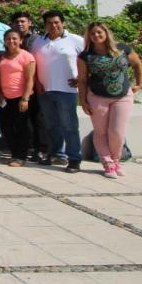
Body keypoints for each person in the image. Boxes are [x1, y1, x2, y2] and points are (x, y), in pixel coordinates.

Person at [78, 21, 142, 178]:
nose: (96, 35)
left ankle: (116, 161)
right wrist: (83, 100)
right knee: (100, 131)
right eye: (92, 33)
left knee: (117, 132)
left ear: (106, 33)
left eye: (99, 32)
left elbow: (137, 64)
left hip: (123, 96)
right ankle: (107, 163)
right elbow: (82, 80)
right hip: (97, 96)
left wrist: (139, 84)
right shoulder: (85, 56)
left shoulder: (122, 49)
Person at [31, 10, 86, 172]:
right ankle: (56, 154)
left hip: (67, 90)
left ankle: (74, 159)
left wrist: (81, 78)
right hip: (45, 90)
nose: (53, 25)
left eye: (56, 22)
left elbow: (88, 60)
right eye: (49, 23)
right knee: (51, 126)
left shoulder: (76, 40)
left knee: (69, 126)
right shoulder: (38, 41)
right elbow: (33, 64)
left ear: (63, 23)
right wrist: (37, 83)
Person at [12, 10, 48, 163]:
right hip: (18, 86)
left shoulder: (38, 40)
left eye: (23, 21)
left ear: (30, 23)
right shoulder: (11, 39)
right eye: (17, 22)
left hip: (36, 83)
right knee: (23, 120)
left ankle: (42, 149)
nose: (20, 24)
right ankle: (28, 147)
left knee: (38, 118)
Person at [0, 29, 37, 167]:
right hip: (5, 98)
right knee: (6, 127)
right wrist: (1, 95)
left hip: (21, 97)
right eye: (8, 38)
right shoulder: (2, 56)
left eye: (14, 38)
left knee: (21, 128)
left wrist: (25, 98)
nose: (11, 41)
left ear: (21, 40)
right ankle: (14, 154)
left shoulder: (27, 56)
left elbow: (30, 79)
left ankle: (21, 156)